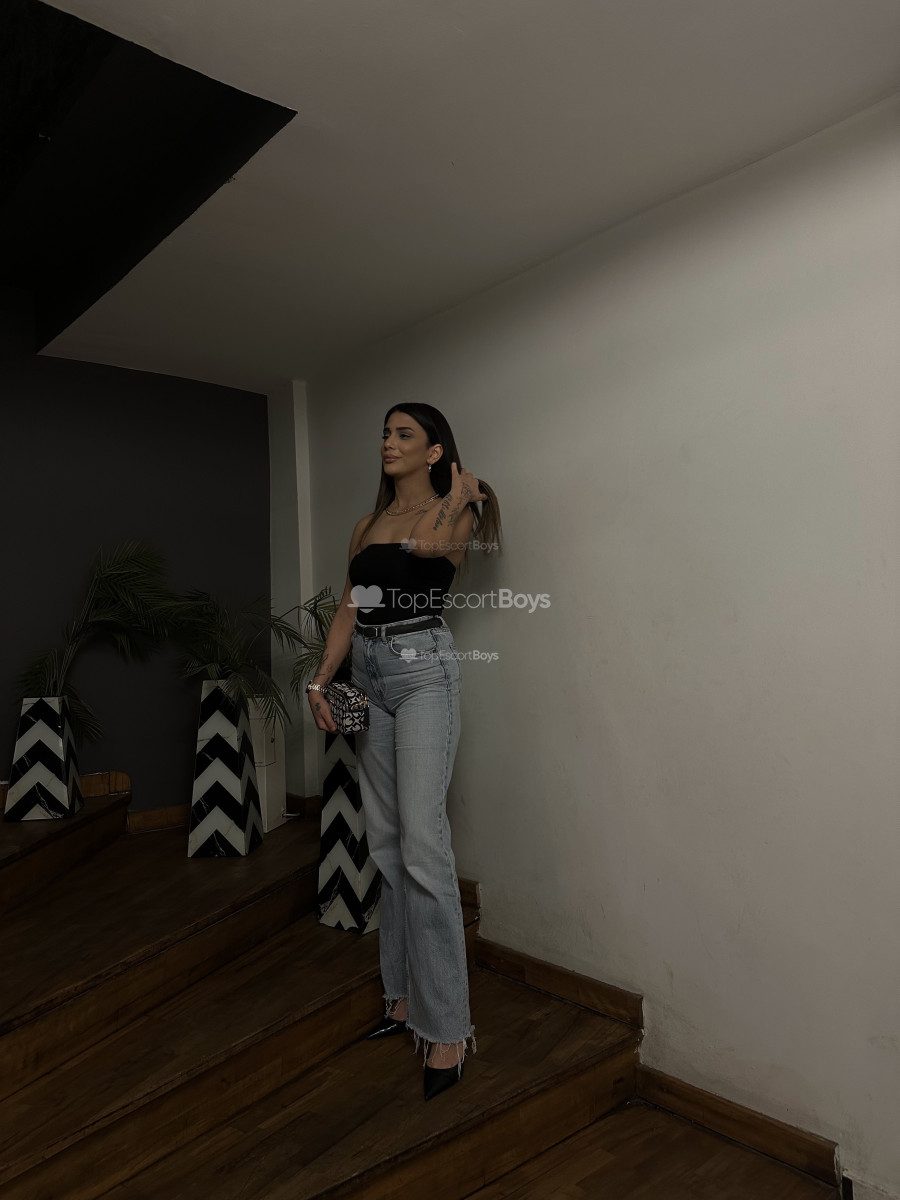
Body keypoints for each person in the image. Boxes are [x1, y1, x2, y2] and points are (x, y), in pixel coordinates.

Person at [306, 402, 501, 1101]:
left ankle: (447, 1028)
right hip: (367, 671)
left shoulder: (458, 512)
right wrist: (322, 679)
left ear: (433, 450)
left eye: (404, 434)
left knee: (422, 842)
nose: (388, 443)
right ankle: (400, 999)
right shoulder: (365, 525)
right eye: (385, 434)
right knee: (386, 841)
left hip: (422, 668)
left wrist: (459, 491)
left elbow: (426, 549)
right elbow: (350, 606)